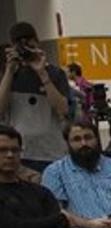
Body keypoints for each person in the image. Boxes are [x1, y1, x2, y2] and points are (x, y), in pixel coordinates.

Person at [0, 23, 70, 171]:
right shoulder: (8, 75)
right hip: (19, 153)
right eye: (20, 46)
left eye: (29, 45)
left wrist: (42, 73)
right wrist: (9, 71)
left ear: (38, 44)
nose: (25, 51)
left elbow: (63, 110)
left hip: (52, 152)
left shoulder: (55, 74)